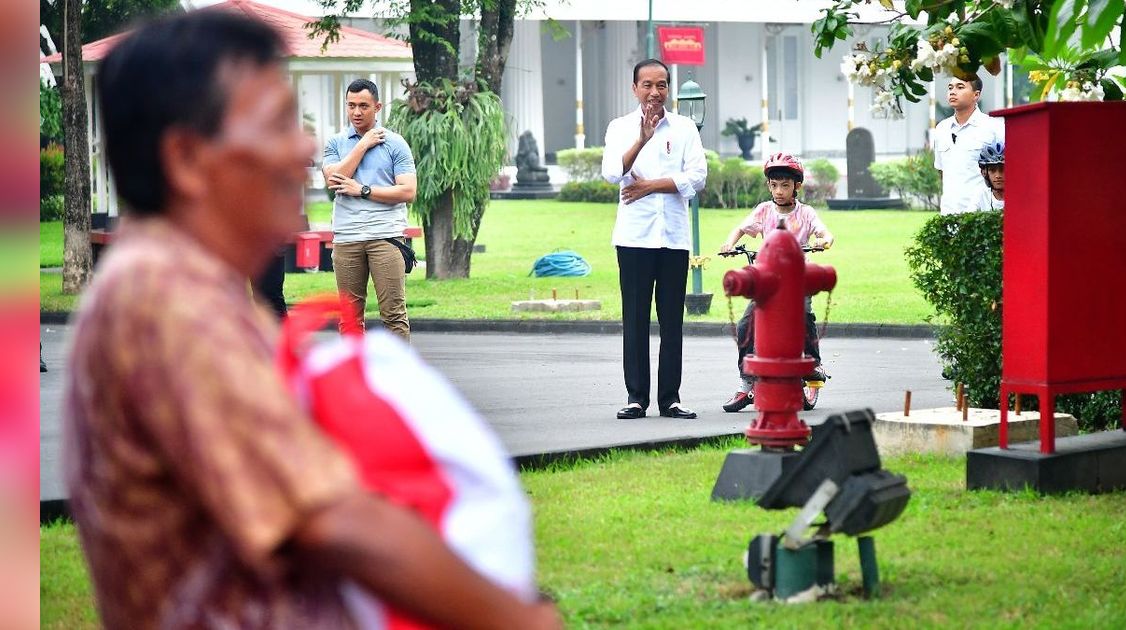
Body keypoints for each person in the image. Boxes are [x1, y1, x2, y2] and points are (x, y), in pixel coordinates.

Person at [63, 10, 559, 629]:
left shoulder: (172, 286)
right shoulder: (167, 303)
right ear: (188, 159)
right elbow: (337, 522)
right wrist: (518, 619)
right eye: (274, 125)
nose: (301, 149)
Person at [601, 58, 707, 420]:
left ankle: (670, 398)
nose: (654, 92)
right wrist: (642, 140)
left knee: (671, 321)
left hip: (674, 238)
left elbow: (697, 177)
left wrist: (650, 186)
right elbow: (612, 172)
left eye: (661, 85)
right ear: (634, 88)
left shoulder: (685, 128)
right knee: (634, 318)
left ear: (669, 88)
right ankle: (636, 398)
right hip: (634, 238)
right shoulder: (619, 127)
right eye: (647, 85)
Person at [718, 153, 834, 412]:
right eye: (774, 185)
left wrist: (822, 240)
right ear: (768, 186)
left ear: (797, 186)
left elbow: (826, 233)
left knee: (803, 313)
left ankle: (813, 362)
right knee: (747, 324)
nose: (779, 191)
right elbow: (740, 228)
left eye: (785, 185)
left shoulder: (805, 213)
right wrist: (730, 243)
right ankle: (746, 383)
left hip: (797, 281)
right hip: (767, 282)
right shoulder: (763, 210)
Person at [323, 78, 418, 339]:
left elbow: (408, 191)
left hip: (385, 237)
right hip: (347, 238)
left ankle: (397, 379)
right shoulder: (335, 143)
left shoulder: (395, 143)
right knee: (350, 319)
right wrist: (363, 144)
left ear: (377, 107)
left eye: (363, 106)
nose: (356, 112)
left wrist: (363, 190)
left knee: (394, 315)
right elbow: (333, 180)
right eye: (351, 105)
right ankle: (356, 379)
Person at [932, 76, 1004, 215]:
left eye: (960, 87)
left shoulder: (994, 127)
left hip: (982, 214)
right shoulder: (942, 128)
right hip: (949, 214)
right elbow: (942, 171)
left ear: (976, 95)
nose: (953, 92)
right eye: (950, 87)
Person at [973, 141, 1005, 211]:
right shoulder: (980, 196)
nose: (998, 176)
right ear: (984, 172)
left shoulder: (1020, 196)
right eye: (992, 170)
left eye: (1003, 170)